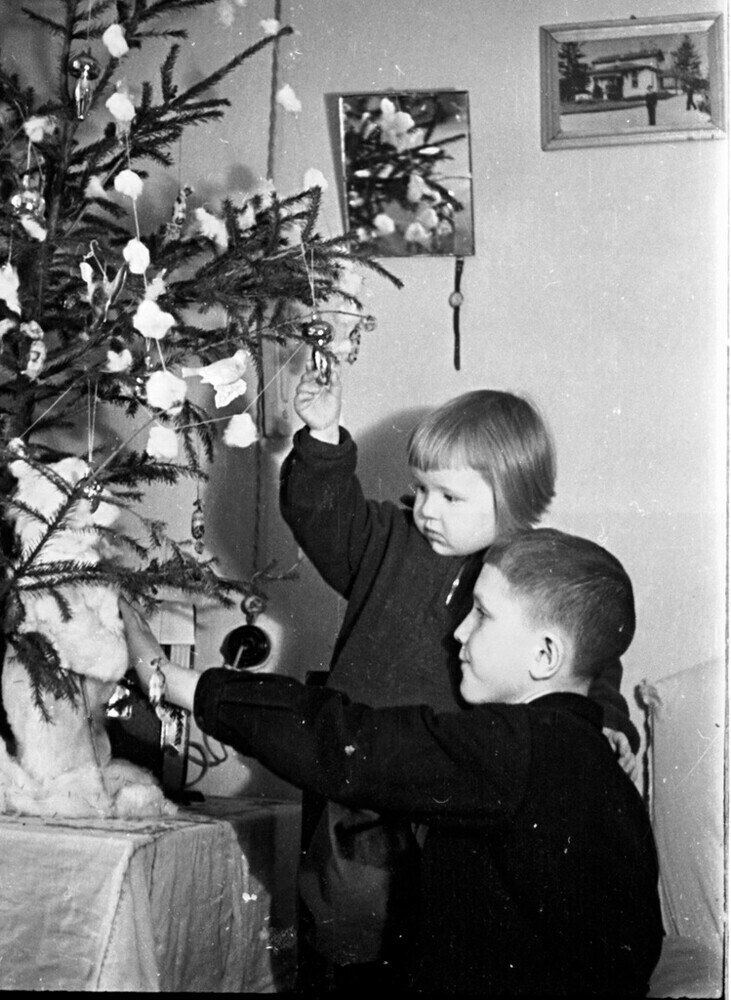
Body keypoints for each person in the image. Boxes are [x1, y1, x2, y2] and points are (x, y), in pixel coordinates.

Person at [121, 528, 664, 996]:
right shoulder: (577, 752)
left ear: (544, 655)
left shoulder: (523, 748)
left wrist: (170, 678)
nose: (458, 632)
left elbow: (344, 742)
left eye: (481, 614)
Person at [277, 366, 641, 990]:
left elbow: (583, 659)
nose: (425, 510)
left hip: (460, 798)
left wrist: (606, 722)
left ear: (513, 499)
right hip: (366, 787)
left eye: (449, 497)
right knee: (349, 932)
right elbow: (318, 512)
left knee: (450, 934)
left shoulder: (531, 574)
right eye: (420, 490)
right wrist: (322, 435)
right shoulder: (384, 541)